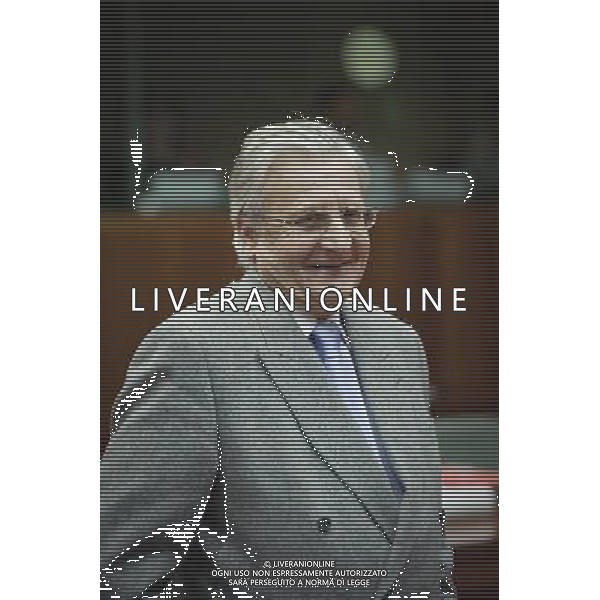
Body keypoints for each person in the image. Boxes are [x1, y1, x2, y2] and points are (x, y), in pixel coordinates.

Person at [101, 120, 456, 599]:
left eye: (354, 216)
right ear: (249, 233)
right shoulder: (194, 348)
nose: (341, 242)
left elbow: (419, 532)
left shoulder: (398, 342)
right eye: (309, 220)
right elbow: (126, 564)